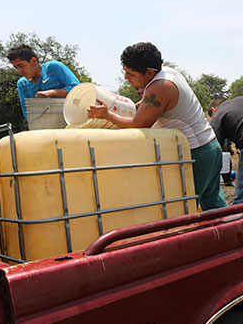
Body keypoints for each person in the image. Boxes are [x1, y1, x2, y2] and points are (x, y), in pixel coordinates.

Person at [87, 42, 227, 210]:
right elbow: (148, 104)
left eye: (130, 74)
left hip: (196, 154)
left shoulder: (160, 86)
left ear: (149, 72)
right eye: (124, 72)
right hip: (210, 146)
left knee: (183, 208)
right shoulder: (167, 73)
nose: (126, 78)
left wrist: (107, 115)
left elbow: (138, 124)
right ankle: (229, 233)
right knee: (214, 205)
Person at [6, 44, 80, 118]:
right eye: (16, 68)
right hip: (45, 126)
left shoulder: (54, 67)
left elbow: (77, 90)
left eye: (21, 66)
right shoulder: (22, 84)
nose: (19, 71)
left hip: (72, 121)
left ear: (33, 61)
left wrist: (51, 93)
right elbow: (27, 113)